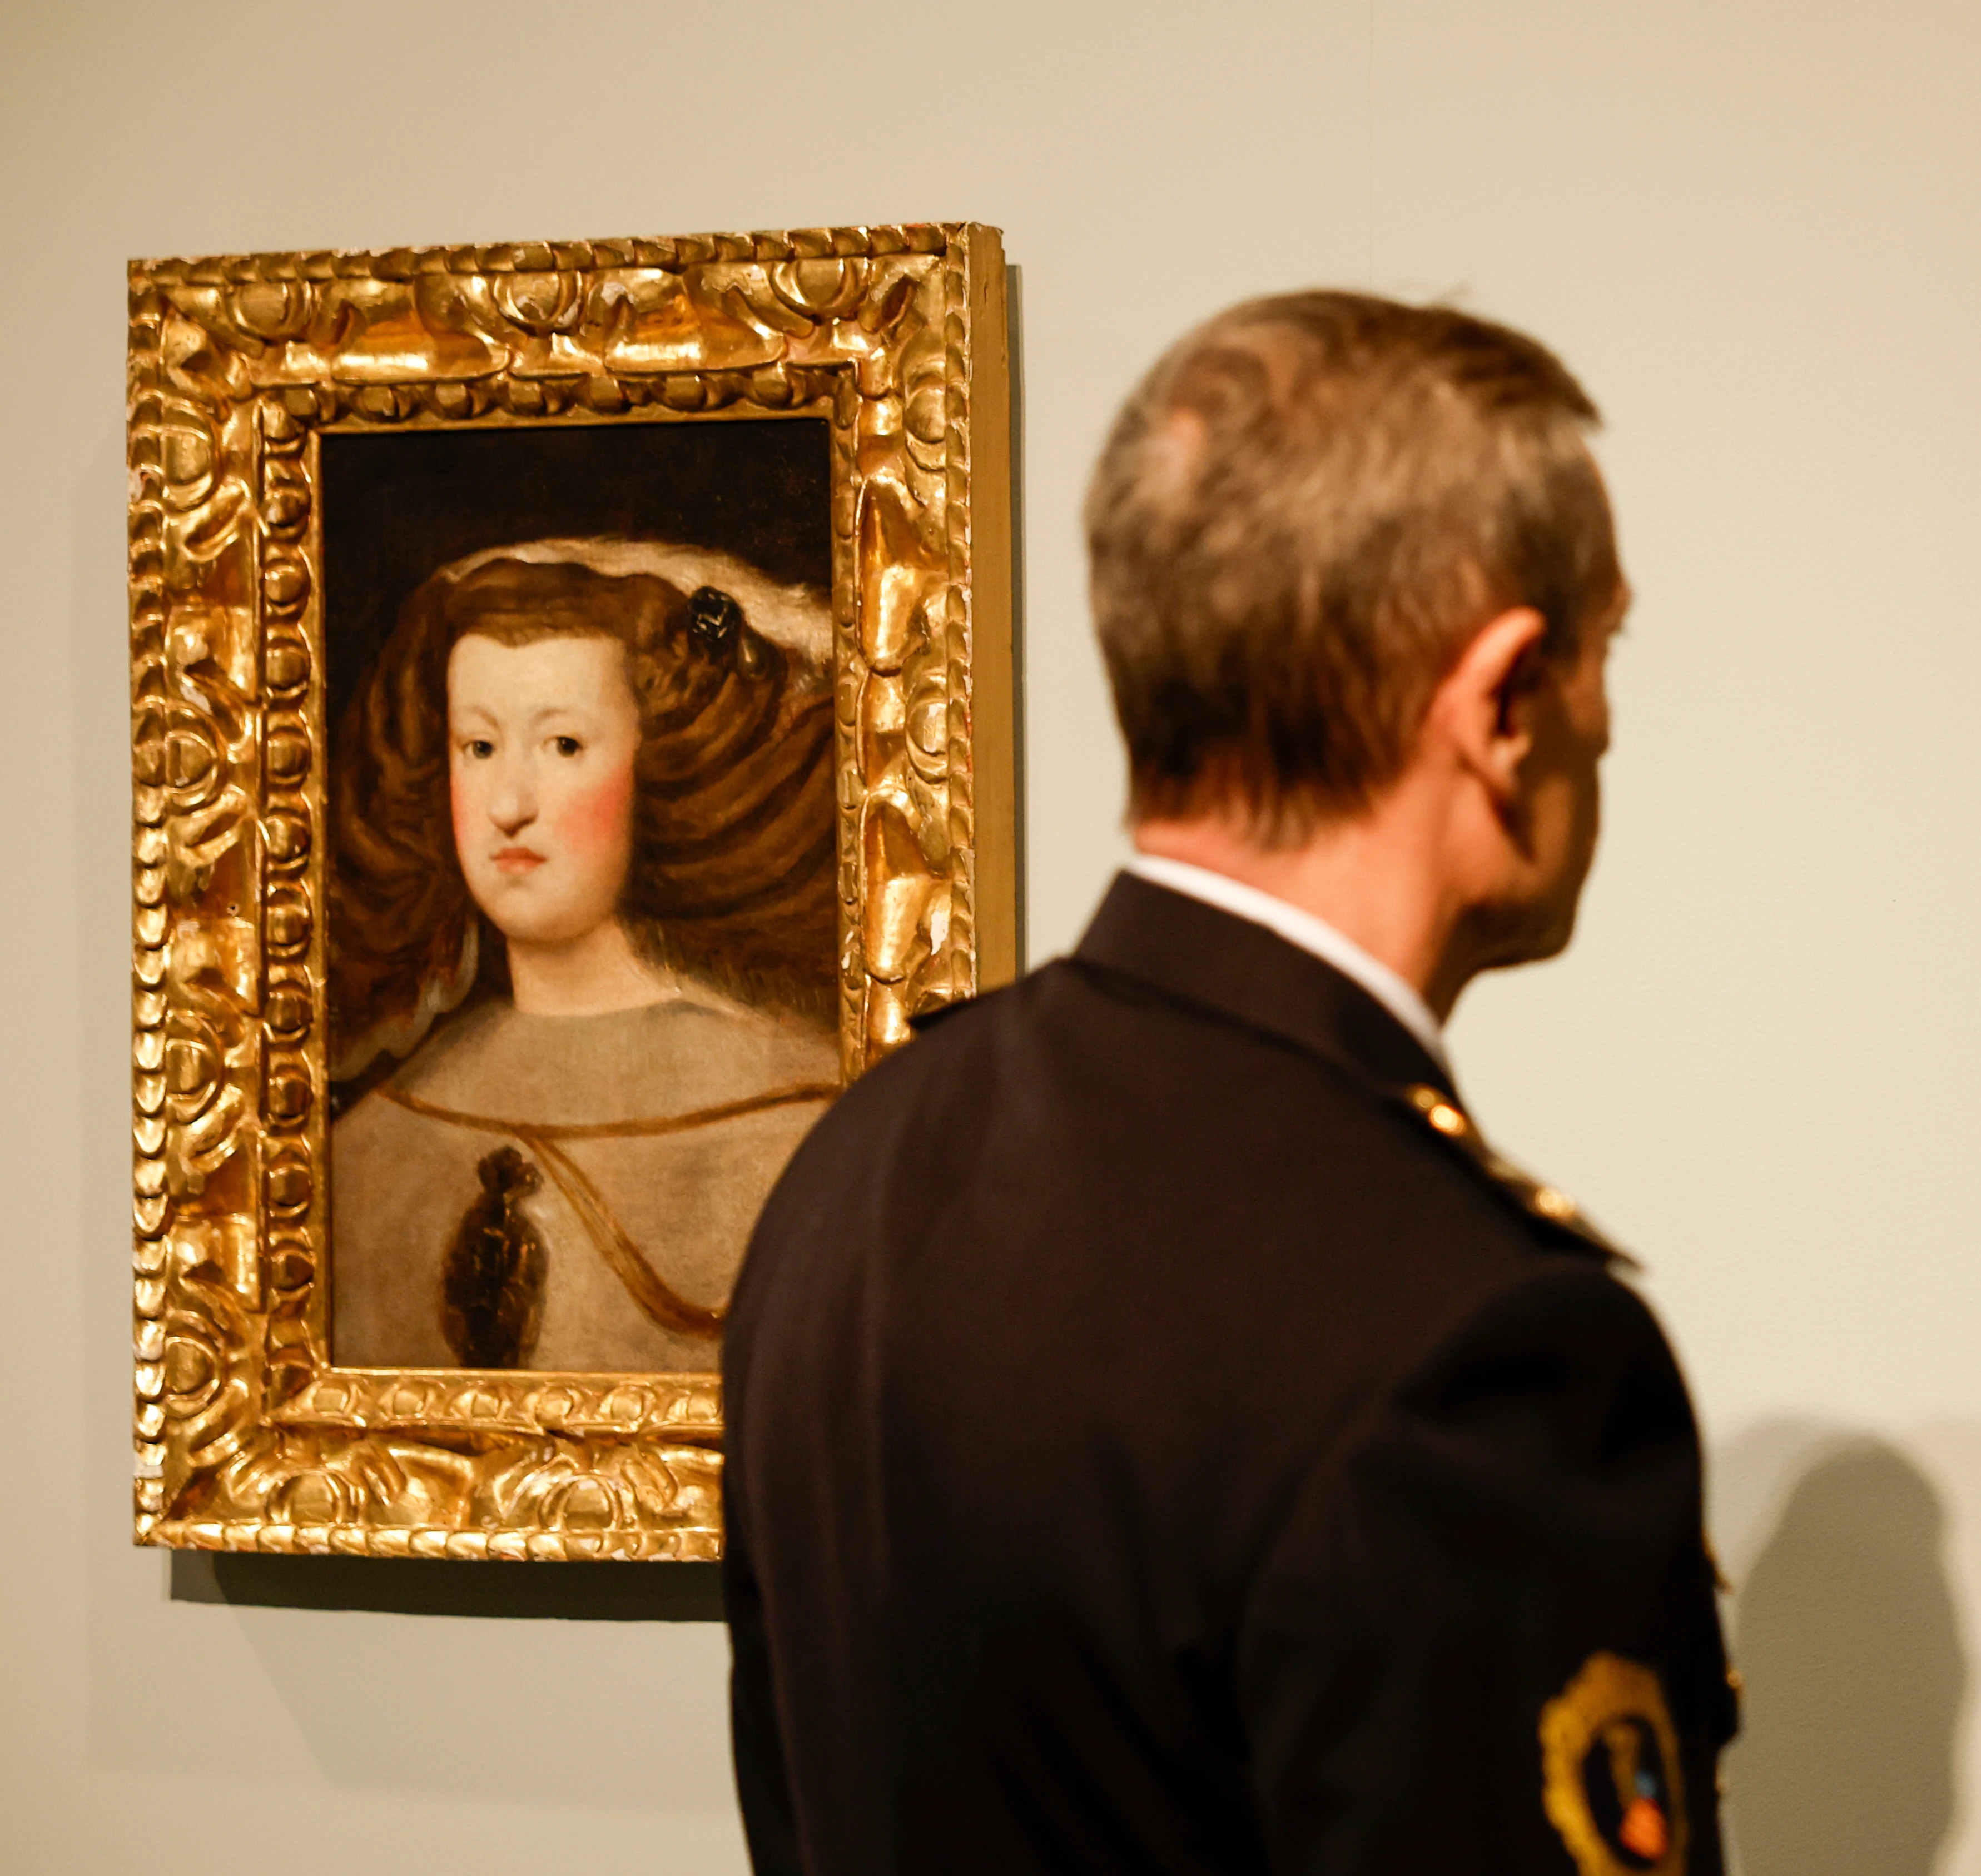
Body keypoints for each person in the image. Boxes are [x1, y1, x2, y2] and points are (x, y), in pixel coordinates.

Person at [722, 291, 1735, 1874]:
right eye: (1605, 647)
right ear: (1503, 699)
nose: (1608, 717)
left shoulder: (860, 1162)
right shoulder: (1478, 1341)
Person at [326, 541, 841, 1374]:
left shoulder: (808, 1120)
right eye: (479, 747)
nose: (509, 805)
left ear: (659, 766)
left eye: (563, 745)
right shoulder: (368, 1144)